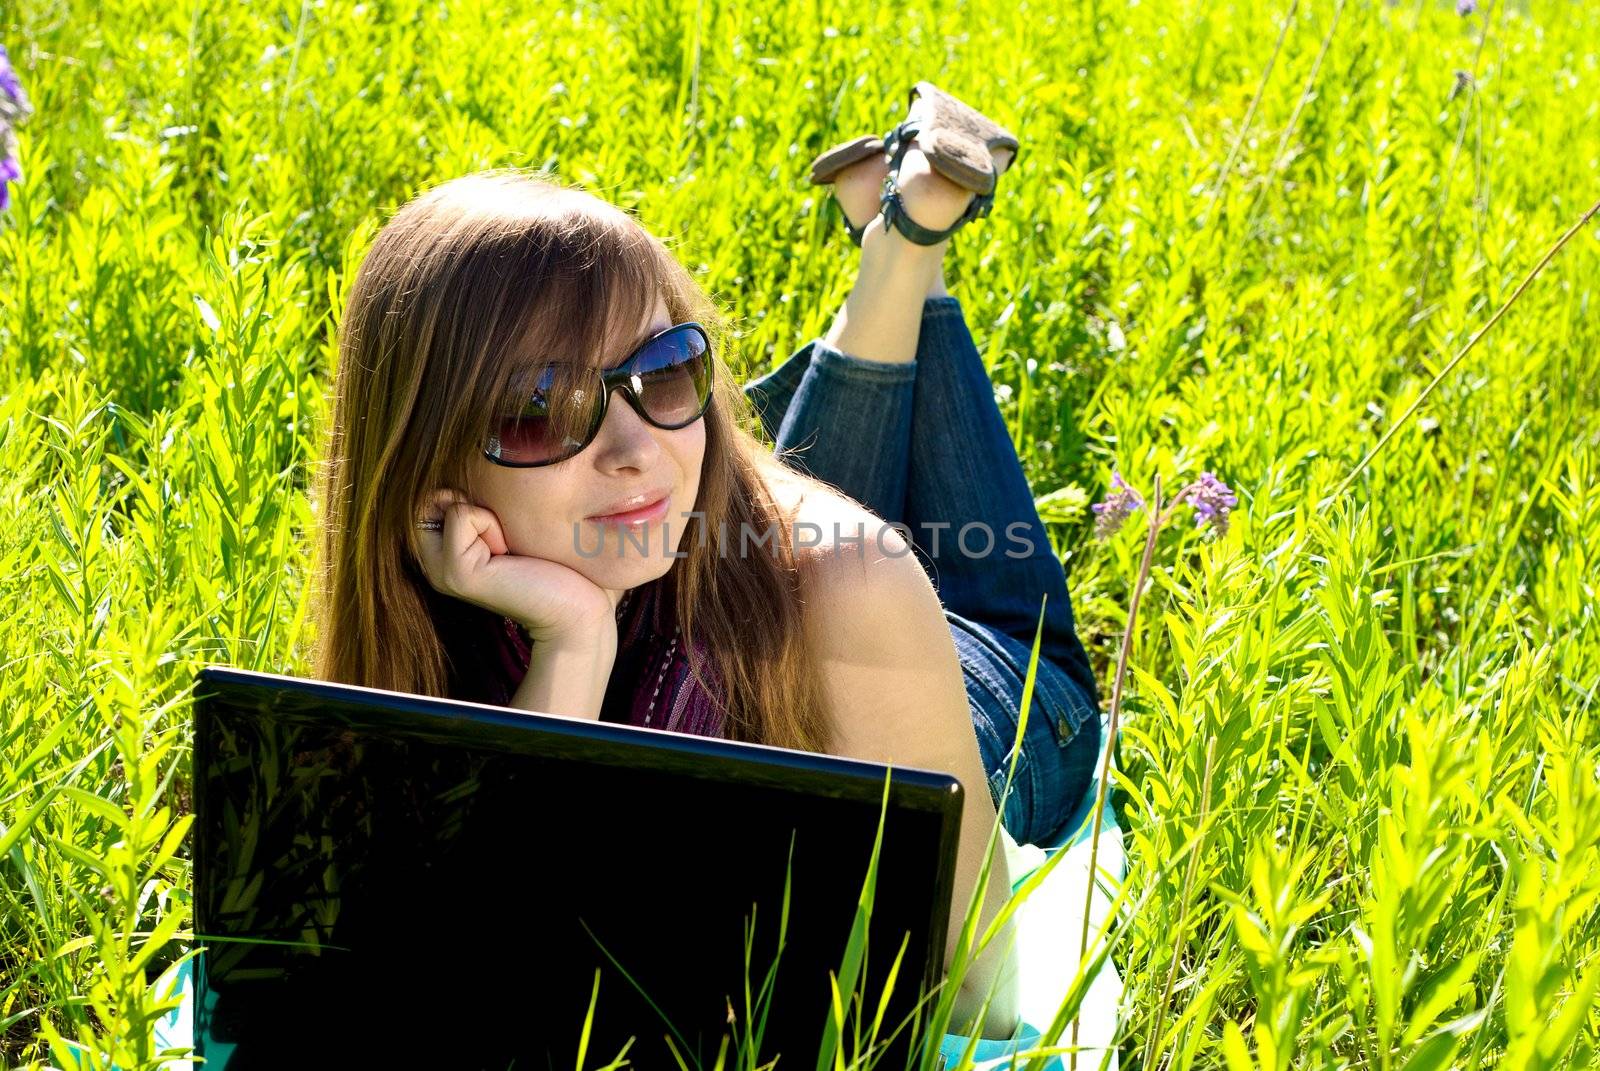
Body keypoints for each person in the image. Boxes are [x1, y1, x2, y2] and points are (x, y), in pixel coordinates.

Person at [309, 84, 1102, 1043]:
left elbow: (984, 999)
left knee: (841, 560)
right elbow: (476, 952)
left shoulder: (850, 583)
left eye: (664, 368)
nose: (633, 445)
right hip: (770, 576)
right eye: (541, 409)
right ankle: (902, 236)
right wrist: (572, 644)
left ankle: (906, 246)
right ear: (421, 457)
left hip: (992, 699)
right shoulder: (439, 606)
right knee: (784, 530)